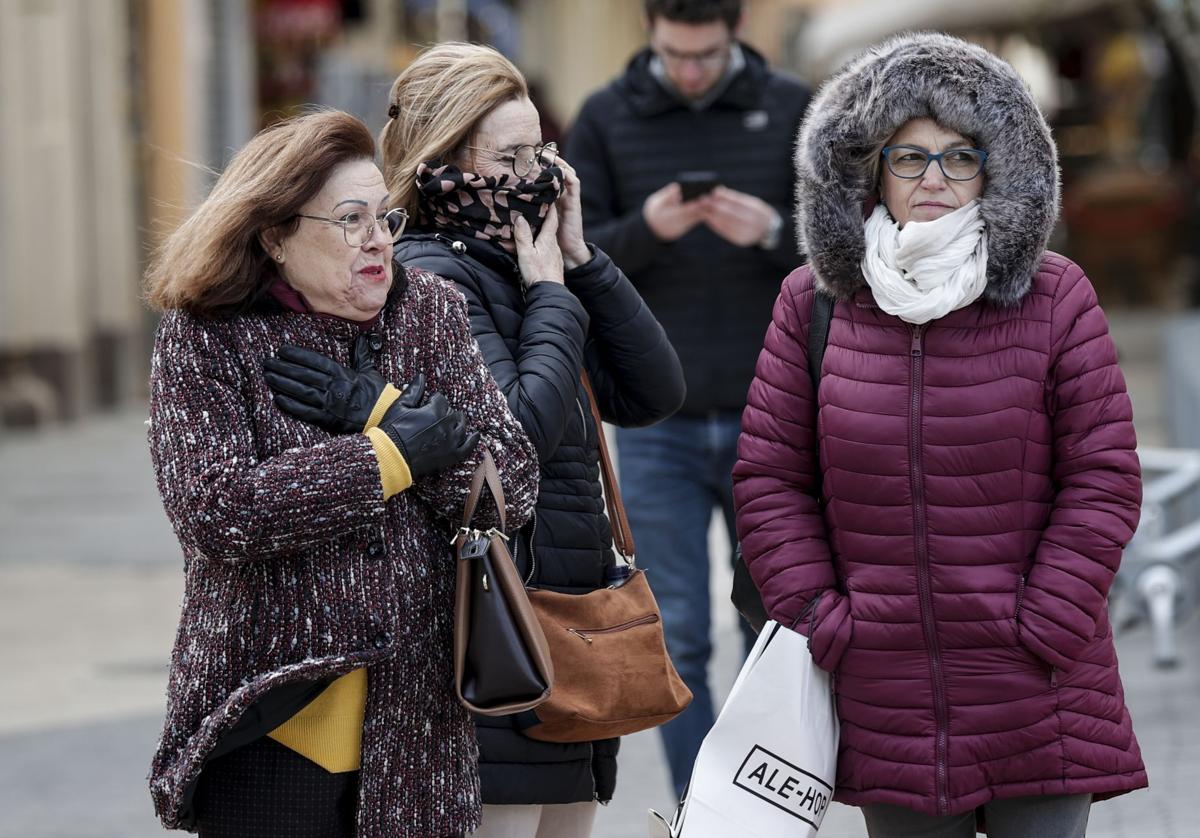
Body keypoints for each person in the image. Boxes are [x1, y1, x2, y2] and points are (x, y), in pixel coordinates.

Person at [733, 32, 1147, 838]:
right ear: (867, 167)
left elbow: (1102, 475)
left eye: (960, 157)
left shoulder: (1055, 296)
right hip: (887, 695)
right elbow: (768, 478)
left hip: (1038, 686)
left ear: (996, 168)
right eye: (909, 156)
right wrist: (826, 617)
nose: (934, 179)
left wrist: (1047, 620)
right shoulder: (814, 304)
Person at [144, 110, 540, 838]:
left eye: (383, 217)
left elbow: (511, 483)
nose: (378, 240)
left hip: (418, 722)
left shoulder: (430, 313)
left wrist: (382, 407)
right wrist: (388, 456)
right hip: (271, 719)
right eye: (349, 220)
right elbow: (217, 509)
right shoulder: (208, 332)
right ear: (275, 235)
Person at [380, 42, 686, 838]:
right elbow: (518, 435)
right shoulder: (435, 280)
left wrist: (582, 263)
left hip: (568, 632)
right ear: (443, 161)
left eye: (542, 150)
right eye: (511, 157)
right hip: (501, 639)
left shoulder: (524, 262)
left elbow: (653, 392)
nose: (537, 175)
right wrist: (551, 295)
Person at [564, 0, 811, 796]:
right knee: (675, 634)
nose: (691, 70)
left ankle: (764, 806)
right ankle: (701, 810)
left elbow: (847, 244)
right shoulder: (604, 116)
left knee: (774, 629)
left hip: (772, 416)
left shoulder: (794, 108)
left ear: (735, 34)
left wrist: (774, 229)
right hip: (654, 419)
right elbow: (573, 255)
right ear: (650, 34)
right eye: (676, 55)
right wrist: (649, 228)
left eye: (706, 54)